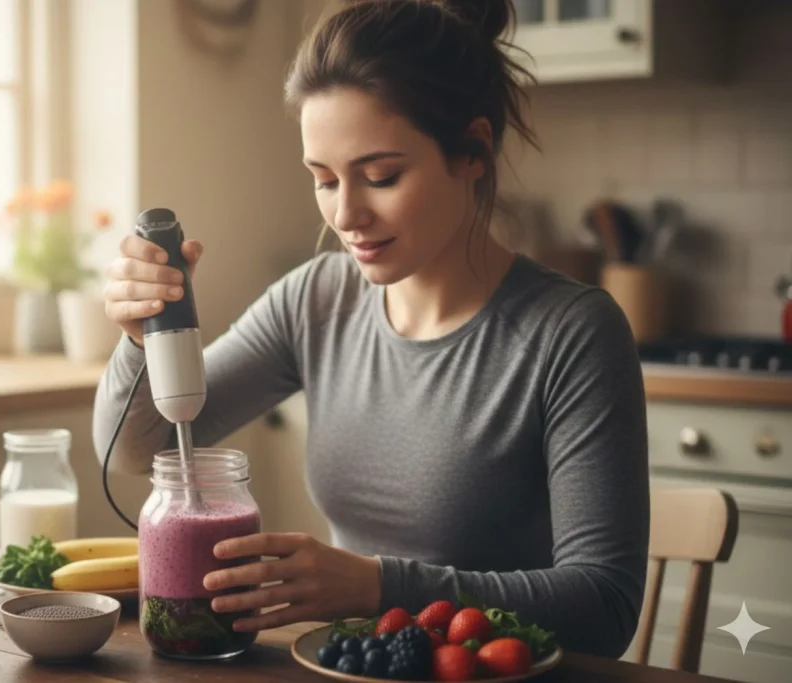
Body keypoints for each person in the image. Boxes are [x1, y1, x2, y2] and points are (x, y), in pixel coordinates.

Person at [95, 0, 649, 659]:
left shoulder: (572, 334)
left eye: (381, 176)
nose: (347, 214)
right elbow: (137, 450)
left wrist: (378, 585)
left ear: (472, 150)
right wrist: (141, 340)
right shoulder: (316, 299)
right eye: (323, 179)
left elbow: (604, 608)